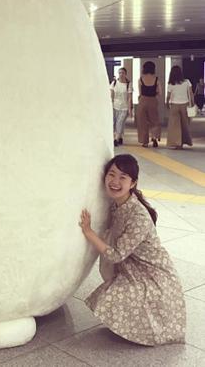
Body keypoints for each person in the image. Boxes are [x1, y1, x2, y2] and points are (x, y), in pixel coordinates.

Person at [79, 154, 186, 346]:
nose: (115, 181)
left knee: (110, 298)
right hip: (132, 266)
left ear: (133, 183)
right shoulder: (118, 205)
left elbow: (116, 254)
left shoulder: (139, 216)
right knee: (109, 297)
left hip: (153, 274)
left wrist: (88, 232)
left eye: (123, 177)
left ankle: (145, 331)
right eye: (112, 174)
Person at [166, 66, 193, 150]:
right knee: (184, 125)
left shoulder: (171, 84)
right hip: (185, 105)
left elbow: (168, 96)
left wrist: (167, 104)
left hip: (174, 105)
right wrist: (192, 103)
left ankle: (177, 143)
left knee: (174, 126)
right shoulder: (187, 82)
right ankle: (183, 142)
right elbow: (191, 93)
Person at [137, 61, 161, 148]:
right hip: (153, 100)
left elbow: (140, 93)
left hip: (143, 100)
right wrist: (155, 97)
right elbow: (160, 92)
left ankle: (145, 142)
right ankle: (154, 138)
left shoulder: (141, 79)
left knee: (142, 122)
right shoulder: (156, 79)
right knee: (154, 121)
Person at [110, 67, 133, 147]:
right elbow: (111, 95)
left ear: (125, 74)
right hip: (115, 106)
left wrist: (130, 109)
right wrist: (110, 104)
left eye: (123, 73)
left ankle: (116, 139)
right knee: (115, 123)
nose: (121, 74)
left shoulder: (128, 84)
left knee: (119, 123)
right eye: (119, 73)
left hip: (124, 107)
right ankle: (120, 137)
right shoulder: (114, 83)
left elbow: (130, 97)